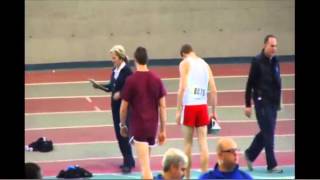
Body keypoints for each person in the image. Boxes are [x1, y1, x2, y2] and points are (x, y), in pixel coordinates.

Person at [119, 46, 167, 179]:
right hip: (152, 127)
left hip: (139, 127)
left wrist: (122, 125)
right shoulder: (157, 79)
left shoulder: (131, 80)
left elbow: (123, 108)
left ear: (135, 60)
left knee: (145, 168)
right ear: (147, 60)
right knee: (146, 164)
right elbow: (162, 107)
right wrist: (163, 129)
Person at [175, 44, 218, 179]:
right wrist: (213, 111)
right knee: (203, 143)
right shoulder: (205, 64)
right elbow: (214, 90)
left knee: (188, 144)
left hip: (189, 106)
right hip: (202, 106)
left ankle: (187, 177)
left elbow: (182, 88)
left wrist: (178, 109)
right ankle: (204, 175)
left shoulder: (184, 63)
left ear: (183, 54)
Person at [92, 45, 135, 173]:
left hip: (124, 107)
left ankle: (128, 162)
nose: (112, 60)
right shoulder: (115, 70)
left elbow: (131, 89)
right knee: (118, 134)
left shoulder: (127, 71)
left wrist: (121, 94)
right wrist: (98, 86)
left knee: (123, 134)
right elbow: (111, 87)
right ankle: (129, 159)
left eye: (114, 58)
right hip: (115, 107)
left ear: (121, 58)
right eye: (112, 58)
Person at [244, 34, 283, 173]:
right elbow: (249, 84)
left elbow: (277, 81)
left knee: (267, 132)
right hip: (261, 102)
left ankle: (250, 154)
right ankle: (271, 164)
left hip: (273, 102)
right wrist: (247, 104)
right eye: (272, 46)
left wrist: (279, 101)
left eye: (276, 46)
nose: (274, 48)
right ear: (264, 45)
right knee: (269, 133)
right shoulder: (257, 61)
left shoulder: (275, 61)